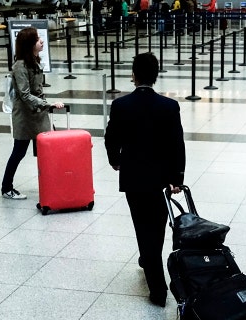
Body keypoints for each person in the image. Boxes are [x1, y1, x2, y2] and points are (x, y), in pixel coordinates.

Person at [104, 52, 186, 308]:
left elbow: (111, 137)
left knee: (142, 226)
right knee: (157, 226)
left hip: (134, 177)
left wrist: (115, 159)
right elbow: (177, 145)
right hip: (160, 179)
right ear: (156, 75)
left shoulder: (121, 105)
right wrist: (176, 178)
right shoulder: (169, 107)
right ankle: (149, 258)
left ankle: (158, 287)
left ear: (133, 75)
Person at [1, 27, 64, 200]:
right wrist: (47, 104)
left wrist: (44, 105)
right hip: (25, 116)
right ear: (29, 44)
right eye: (37, 39)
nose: (41, 41)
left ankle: (50, 182)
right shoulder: (20, 66)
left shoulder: (34, 61)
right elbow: (25, 94)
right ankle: (6, 187)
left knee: (45, 150)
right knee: (19, 152)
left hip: (38, 114)